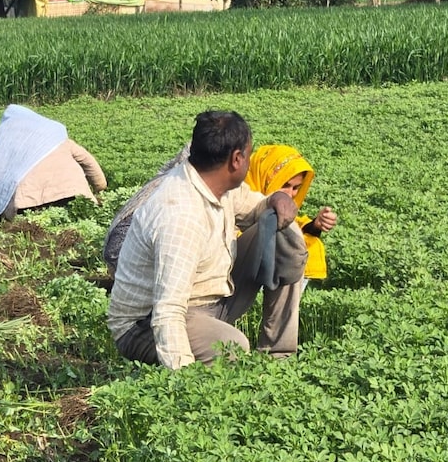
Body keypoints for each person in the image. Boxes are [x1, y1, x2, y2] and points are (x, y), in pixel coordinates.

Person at [106, 110, 307, 369]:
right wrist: (184, 382)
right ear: (236, 160)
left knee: (280, 228)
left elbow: (253, 206)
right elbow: (167, 312)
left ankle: (279, 357)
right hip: (145, 324)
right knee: (231, 348)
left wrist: (275, 199)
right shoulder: (181, 215)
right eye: (248, 154)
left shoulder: (216, 183)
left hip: (209, 299)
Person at [245, 145, 338, 285]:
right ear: (266, 178)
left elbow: (292, 223)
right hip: (238, 263)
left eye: (295, 188)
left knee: (308, 244)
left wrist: (315, 225)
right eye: (284, 185)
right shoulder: (239, 192)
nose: (289, 194)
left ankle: (287, 307)